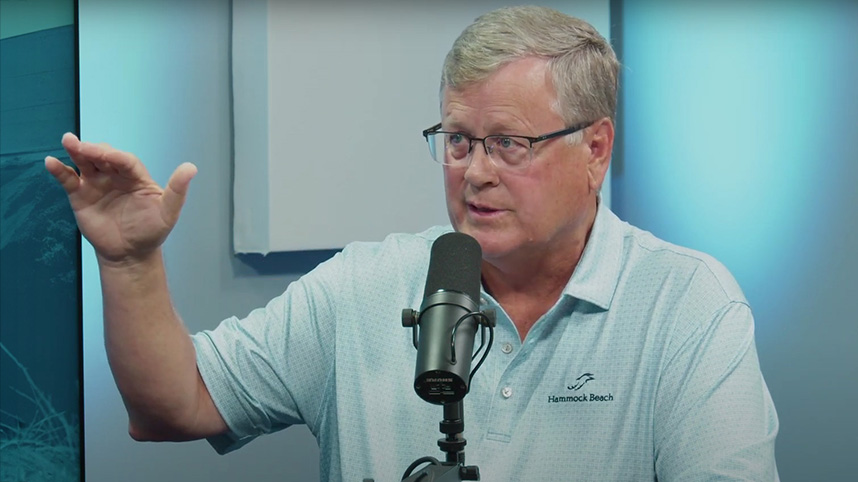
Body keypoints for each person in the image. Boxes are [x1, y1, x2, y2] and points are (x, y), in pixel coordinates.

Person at [45, 5, 779, 481]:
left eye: (509, 143)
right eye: (458, 140)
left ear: (595, 149)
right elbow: (173, 406)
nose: (475, 172)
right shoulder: (363, 286)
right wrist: (129, 263)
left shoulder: (687, 305)